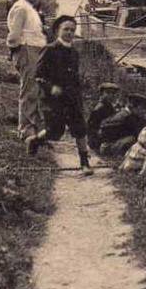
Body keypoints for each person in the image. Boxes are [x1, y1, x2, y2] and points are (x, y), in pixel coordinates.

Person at [27, 15, 93, 176]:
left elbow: (74, 76)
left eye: (72, 30)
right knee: (54, 132)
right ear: (58, 30)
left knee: (80, 129)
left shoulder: (74, 53)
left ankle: (84, 163)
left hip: (72, 98)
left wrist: (79, 93)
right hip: (53, 99)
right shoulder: (50, 49)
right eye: (66, 29)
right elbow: (38, 76)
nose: (70, 33)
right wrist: (51, 88)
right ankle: (34, 140)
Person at [6, 0, 47, 141]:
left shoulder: (30, 8)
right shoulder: (21, 8)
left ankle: (34, 129)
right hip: (27, 50)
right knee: (29, 92)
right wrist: (17, 53)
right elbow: (13, 36)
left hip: (35, 51)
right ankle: (25, 130)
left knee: (35, 91)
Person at [95, 93, 146, 157]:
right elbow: (139, 134)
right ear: (133, 106)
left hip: (110, 146)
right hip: (109, 148)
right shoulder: (127, 117)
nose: (143, 111)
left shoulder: (126, 114)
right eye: (142, 108)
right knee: (133, 139)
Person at [87, 82, 121, 151]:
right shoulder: (100, 108)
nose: (111, 95)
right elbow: (91, 128)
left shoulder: (109, 106)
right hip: (98, 140)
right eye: (108, 93)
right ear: (102, 94)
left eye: (113, 93)